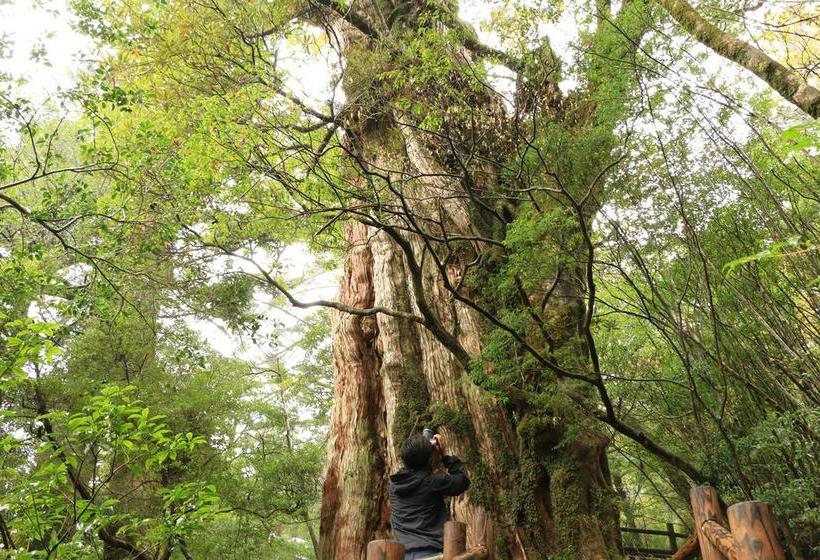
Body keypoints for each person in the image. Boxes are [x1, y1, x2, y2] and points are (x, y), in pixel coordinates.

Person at [388, 432, 470, 560]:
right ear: (428, 460)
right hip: (431, 553)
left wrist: (422, 450)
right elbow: (462, 481)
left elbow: (413, 467)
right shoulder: (431, 482)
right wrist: (445, 456)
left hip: (403, 554)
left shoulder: (394, 484)